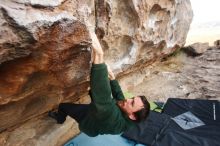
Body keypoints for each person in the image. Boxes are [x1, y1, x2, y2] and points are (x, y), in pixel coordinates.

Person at [48, 31, 150, 137]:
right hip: (97, 115)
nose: (129, 100)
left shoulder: (114, 122)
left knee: (63, 106)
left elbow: (104, 96)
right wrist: (112, 78)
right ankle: (90, 97)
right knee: (94, 93)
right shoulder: (128, 113)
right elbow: (120, 97)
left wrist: (99, 57)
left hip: (87, 120)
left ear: (133, 116)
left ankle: (59, 119)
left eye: (132, 103)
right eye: (132, 98)